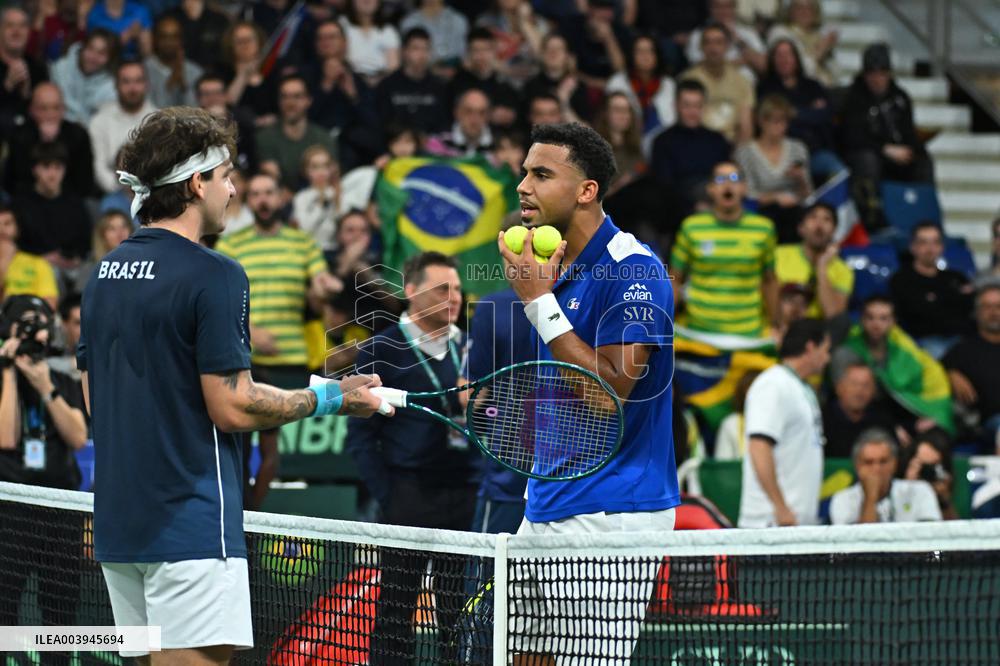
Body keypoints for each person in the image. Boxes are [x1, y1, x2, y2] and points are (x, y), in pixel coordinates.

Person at [78, 107, 388, 664]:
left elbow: (92, 395)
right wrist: (331, 397)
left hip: (120, 526)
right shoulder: (215, 272)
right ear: (196, 184)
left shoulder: (103, 273)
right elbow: (234, 406)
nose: (233, 189)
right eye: (225, 176)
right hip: (189, 528)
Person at [496, 122, 678, 665]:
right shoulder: (550, 270)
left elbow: (608, 394)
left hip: (612, 512)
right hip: (546, 500)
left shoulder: (635, 271)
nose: (523, 186)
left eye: (541, 174)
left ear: (586, 190)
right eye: (524, 173)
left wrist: (538, 305)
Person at [346, 251, 478, 665]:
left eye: (456, 289)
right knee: (395, 612)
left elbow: (492, 419)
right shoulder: (380, 348)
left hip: (465, 494)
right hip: (408, 496)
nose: (453, 297)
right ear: (411, 290)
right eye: (442, 289)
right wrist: (389, 496)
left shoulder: (473, 346)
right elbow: (361, 436)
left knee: (459, 615)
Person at [215, 171, 342, 509]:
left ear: (280, 198)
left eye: (269, 192)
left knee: (289, 460)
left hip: (292, 364)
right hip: (245, 363)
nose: (263, 200)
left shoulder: (302, 243)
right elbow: (219, 297)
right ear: (246, 199)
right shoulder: (231, 244)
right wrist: (251, 331)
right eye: (255, 194)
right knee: (237, 454)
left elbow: (319, 283)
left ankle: (271, 515)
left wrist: (323, 289)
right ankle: (241, 510)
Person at [0, 294, 88, 661]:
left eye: (41, 323)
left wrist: (44, 387)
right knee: (5, 610)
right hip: (12, 512)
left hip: (60, 510)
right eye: (26, 323)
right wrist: (7, 371)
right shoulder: (1, 378)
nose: (35, 330)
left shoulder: (61, 381)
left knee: (61, 616)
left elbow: (79, 437)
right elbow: (5, 438)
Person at [669, 161, 780, 337]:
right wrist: (663, 320)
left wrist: (776, 324)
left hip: (748, 332)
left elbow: (770, 281)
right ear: (711, 189)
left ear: (744, 188)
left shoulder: (764, 229)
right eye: (720, 179)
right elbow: (675, 279)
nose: (728, 185)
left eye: (734, 179)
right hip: (699, 333)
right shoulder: (691, 227)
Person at [738, 318, 830, 527]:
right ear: (810, 347)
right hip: (770, 523)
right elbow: (759, 446)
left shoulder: (798, 386)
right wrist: (780, 507)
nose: (827, 358)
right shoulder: (773, 384)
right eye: (825, 350)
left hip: (793, 522)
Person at [840, 43, 933, 227]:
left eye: (882, 74)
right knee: (868, 161)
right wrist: (885, 149)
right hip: (867, 153)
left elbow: (908, 130)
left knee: (924, 161)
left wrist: (911, 150)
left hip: (896, 153)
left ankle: (925, 210)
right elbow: (852, 136)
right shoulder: (853, 97)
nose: (877, 79)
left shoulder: (900, 97)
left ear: (889, 74)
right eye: (872, 74)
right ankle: (873, 216)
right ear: (865, 74)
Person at [832, 295, 954, 434]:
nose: (876, 324)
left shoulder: (904, 349)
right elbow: (844, 396)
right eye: (870, 317)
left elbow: (927, 379)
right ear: (861, 320)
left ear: (893, 322)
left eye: (883, 318)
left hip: (900, 411)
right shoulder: (847, 352)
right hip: (865, 414)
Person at [756, 38, 843, 183]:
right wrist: (809, 112)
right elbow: (771, 120)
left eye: (788, 54)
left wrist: (794, 113)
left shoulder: (812, 85)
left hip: (815, 151)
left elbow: (825, 115)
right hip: (781, 153)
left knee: (838, 171)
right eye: (779, 55)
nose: (784, 59)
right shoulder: (765, 88)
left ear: (796, 58)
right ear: (772, 60)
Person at [649, 79, 731, 231]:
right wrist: (694, 206)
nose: (692, 111)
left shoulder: (718, 141)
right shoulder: (662, 142)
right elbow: (663, 186)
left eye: (697, 106)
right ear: (676, 106)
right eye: (687, 105)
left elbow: (727, 178)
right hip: (676, 213)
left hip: (717, 206)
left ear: (704, 107)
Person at [734, 94, 813, 243]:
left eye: (783, 121)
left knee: (802, 218)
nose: (779, 126)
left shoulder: (798, 149)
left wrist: (800, 179)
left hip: (794, 211)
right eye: (774, 121)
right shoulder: (745, 153)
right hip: (761, 210)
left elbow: (808, 195)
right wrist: (775, 198)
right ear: (761, 121)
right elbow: (747, 193)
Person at [890, 221, 974, 358]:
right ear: (913, 247)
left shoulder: (955, 277)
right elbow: (916, 316)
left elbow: (970, 309)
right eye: (923, 243)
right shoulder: (901, 280)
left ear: (942, 247)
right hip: (925, 342)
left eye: (935, 242)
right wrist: (953, 298)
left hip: (962, 339)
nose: (930, 248)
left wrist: (935, 300)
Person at [3, 81, 96, 199]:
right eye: (43, 108)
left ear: (64, 110)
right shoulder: (19, 136)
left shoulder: (78, 135)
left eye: (56, 108)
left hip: (70, 201)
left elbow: (85, 184)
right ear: (32, 110)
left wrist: (57, 142)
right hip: (28, 201)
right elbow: (12, 183)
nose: (50, 114)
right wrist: (41, 142)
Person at [11, 141, 92, 276]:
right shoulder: (20, 205)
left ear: (65, 169)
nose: (52, 174)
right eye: (46, 166)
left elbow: (85, 242)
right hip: (33, 268)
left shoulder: (75, 202)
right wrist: (42, 259)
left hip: (75, 269)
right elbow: (15, 245)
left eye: (58, 167)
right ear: (34, 169)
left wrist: (76, 258)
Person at [829, 429, 941, 524]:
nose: (876, 469)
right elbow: (859, 546)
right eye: (869, 462)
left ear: (894, 463)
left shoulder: (920, 490)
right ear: (857, 466)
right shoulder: (843, 500)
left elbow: (931, 539)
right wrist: (871, 498)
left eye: (883, 461)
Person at [943, 284, 1000, 453]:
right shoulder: (962, 350)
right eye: (987, 306)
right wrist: (950, 373)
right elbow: (935, 371)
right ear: (977, 312)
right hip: (985, 425)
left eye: (998, 306)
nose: (994, 312)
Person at [256, 74, 337, 192]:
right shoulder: (265, 137)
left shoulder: (324, 138)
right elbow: (272, 181)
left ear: (308, 100)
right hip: (281, 203)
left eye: (297, 96)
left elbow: (333, 179)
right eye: (285, 97)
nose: (290, 103)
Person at [775, 202, 853, 322]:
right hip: (778, 325)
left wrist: (822, 266)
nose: (819, 225)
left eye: (827, 219)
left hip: (817, 332)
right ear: (800, 228)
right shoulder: (778, 255)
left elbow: (833, 316)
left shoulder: (843, 271)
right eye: (813, 217)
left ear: (834, 231)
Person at [680, 22, 755, 144]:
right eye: (708, 42)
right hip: (698, 144)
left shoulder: (742, 81)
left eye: (718, 42)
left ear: (727, 46)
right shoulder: (688, 80)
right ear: (701, 47)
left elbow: (746, 127)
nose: (713, 48)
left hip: (732, 146)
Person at [89, 59, 156, 194]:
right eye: (126, 81)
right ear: (116, 85)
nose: (132, 88)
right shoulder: (99, 121)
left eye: (138, 81)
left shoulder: (159, 122)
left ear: (146, 85)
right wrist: (126, 193)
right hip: (114, 194)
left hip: (153, 196)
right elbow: (99, 168)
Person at [374, 27, 449, 134]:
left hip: (431, 146)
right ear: (404, 52)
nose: (422, 55)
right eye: (416, 49)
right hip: (396, 145)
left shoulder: (440, 87)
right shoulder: (387, 86)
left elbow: (443, 126)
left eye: (426, 49)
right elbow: (381, 123)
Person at [606, 34, 677, 144]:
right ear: (631, 55)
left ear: (657, 55)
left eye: (650, 51)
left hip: (663, 144)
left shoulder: (669, 85)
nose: (645, 56)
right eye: (640, 51)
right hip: (624, 144)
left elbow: (673, 121)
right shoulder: (617, 82)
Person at [823, 362, 899, 459]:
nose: (859, 391)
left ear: (874, 391)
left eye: (866, 385)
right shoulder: (823, 420)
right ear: (839, 387)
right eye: (854, 384)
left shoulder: (883, 420)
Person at [448, 27, 520, 129]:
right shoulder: (458, 83)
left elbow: (512, 115)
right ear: (468, 53)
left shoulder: (503, 84)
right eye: (476, 50)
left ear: (494, 51)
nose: (481, 56)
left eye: (486, 50)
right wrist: (489, 116)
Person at [50, 28, 118, 126]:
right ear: (82, 48)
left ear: (110, 59)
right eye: (90, 49)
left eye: (101, 53)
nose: (93, 57)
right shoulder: (60, 69)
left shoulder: (111, 87)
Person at [767, 0, 839, 86]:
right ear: (790, 11)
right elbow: (799, 70)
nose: (804, 12)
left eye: (809, 8)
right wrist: (820, 50)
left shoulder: (818, 35)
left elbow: (835, 72)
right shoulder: (780, 32)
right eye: (799, 7)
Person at [0, 7, 49, 132]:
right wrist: (7, 86)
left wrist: (26, 94)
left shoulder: (38, 68)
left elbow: (45, 114)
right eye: (10, 25)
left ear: (28, 32)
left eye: (22, 26)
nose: (16, 31)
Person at [686, 0, 766, 77]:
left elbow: (762, 65)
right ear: (710, 9)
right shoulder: (698, 35)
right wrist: (742, 62)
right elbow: (697, 66)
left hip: (745, 86)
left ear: (734, 8)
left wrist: (737, 40)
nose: (722, 11)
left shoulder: (749, 34)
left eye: (727, 6)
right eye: (717, 7)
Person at [0, 206, 58, 309]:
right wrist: (5, 261)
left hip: (29, 319)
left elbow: (49, 304)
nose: (2, 230)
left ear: (17, 228)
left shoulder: (38, 263)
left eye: (7, 223)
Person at [144, 14, 202, 109]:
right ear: (155, 39)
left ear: (181, 40)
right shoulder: (143, 70)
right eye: (164, 36)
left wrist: (182, 84)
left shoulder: (195, 72)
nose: (169, 42)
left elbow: (196, 112)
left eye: (174, 37)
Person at [899, 427, 958, 520]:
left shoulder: (943, 484)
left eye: (932, 466)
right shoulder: (897, 485)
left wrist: (944, 500)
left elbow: (954, 529)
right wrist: (907, 485)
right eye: (923, 465)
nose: (927, 471)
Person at [340, 0, 400, 86]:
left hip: (382, 83)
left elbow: (393, 67)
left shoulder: (388, 30)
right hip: (349, 81)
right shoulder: (342, 24)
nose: (367, 1)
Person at [291, 145, 339, 252]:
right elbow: (305, 229)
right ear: (306, 170)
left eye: (325, 166)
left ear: (331, 169)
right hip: (309, 251)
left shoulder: (339, 192)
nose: (321, 172)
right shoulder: (301, 198)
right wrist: (320, 204)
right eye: (315, 167)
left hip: (334, 249)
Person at [425, 87, 494, 158]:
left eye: (482, 113)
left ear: (489, 116)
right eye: (468, 111)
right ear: (457, 112)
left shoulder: (500, 146)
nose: (475, 119)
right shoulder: (438, 143)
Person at [400, 0, 468, 70]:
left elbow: (463, 56)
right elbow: (408, 57)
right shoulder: (409, 22)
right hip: (421, 73)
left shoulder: (458, 20)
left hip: (455, 72)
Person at [714, 369, 761, 460]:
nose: (757, 395)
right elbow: (723, 467)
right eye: (751, 390)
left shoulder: (781, 422)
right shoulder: (731, 424)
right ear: (743, 394)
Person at [85, 0, 151, 59]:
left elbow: (147, 53)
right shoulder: (94, 12)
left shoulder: (140, 11)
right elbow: (95, 50)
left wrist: (140, 39)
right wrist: (127, 35)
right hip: (104, 63)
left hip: (132, 62)